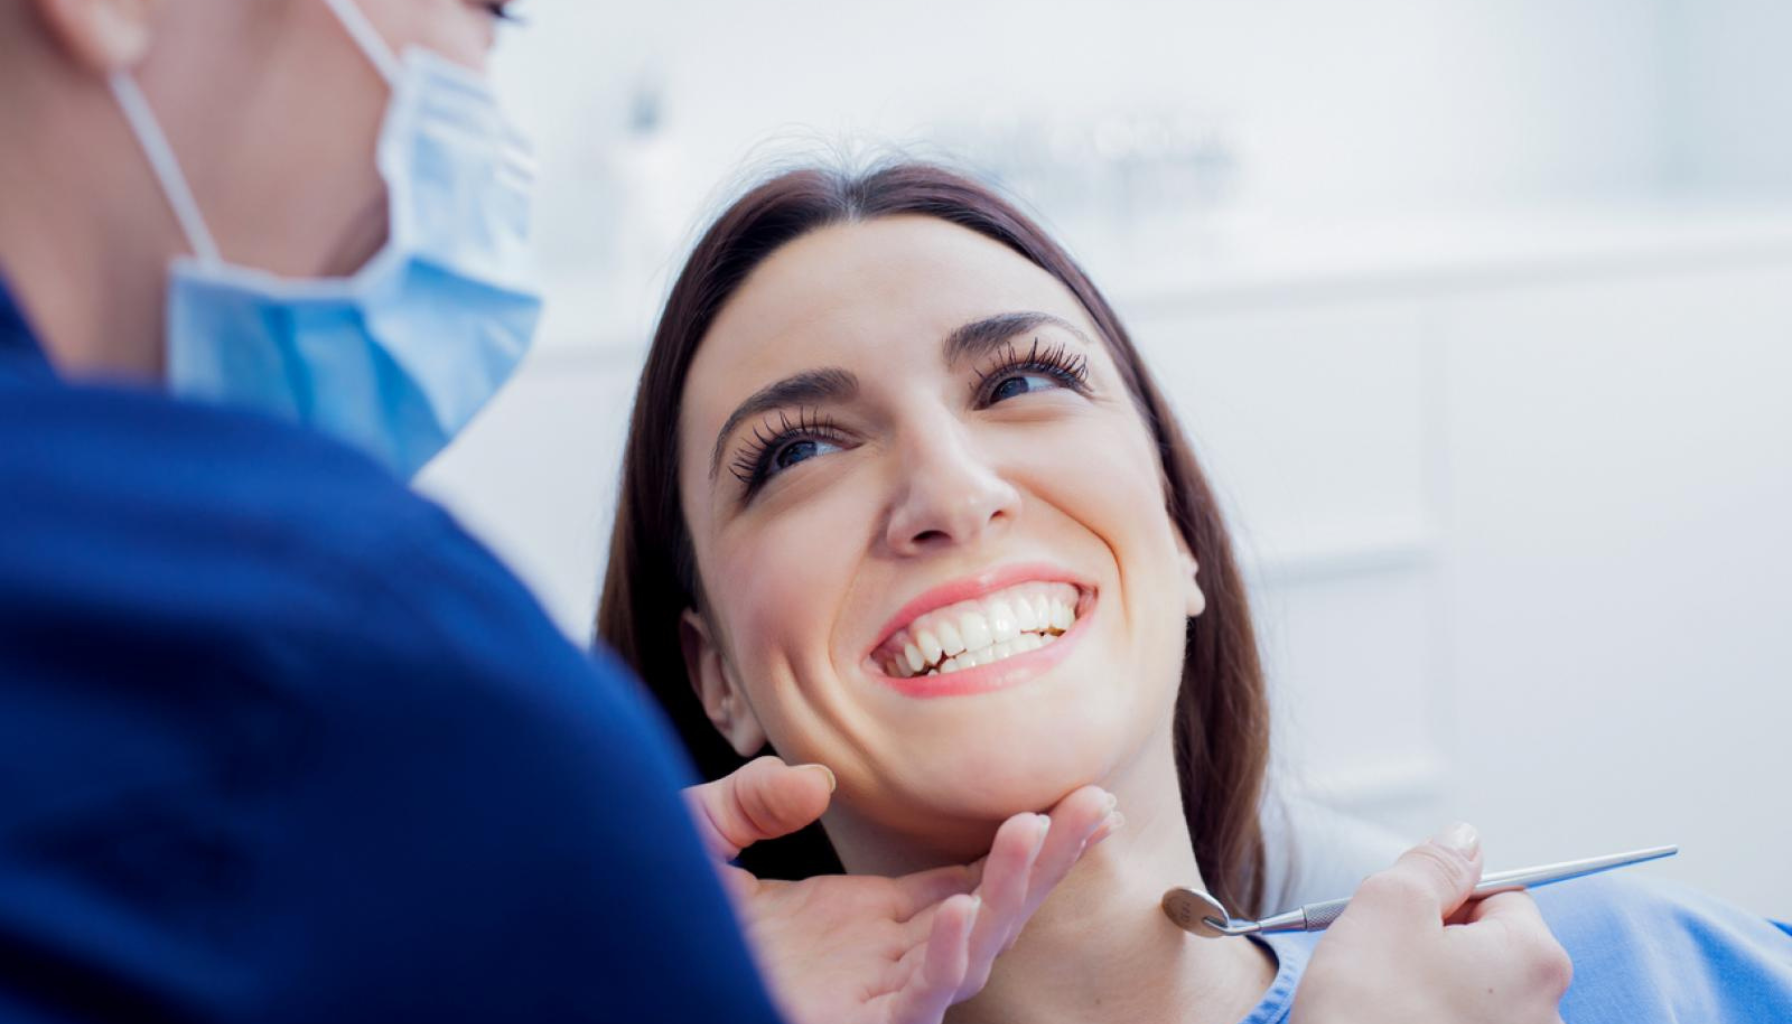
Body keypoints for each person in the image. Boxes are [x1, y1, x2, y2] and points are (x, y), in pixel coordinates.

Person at [597, 161, 1792, 1023]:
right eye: (800, 450)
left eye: (1020, 381)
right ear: (716, 676)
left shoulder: (1632, 970)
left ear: (1173, 535)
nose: (950, 491)